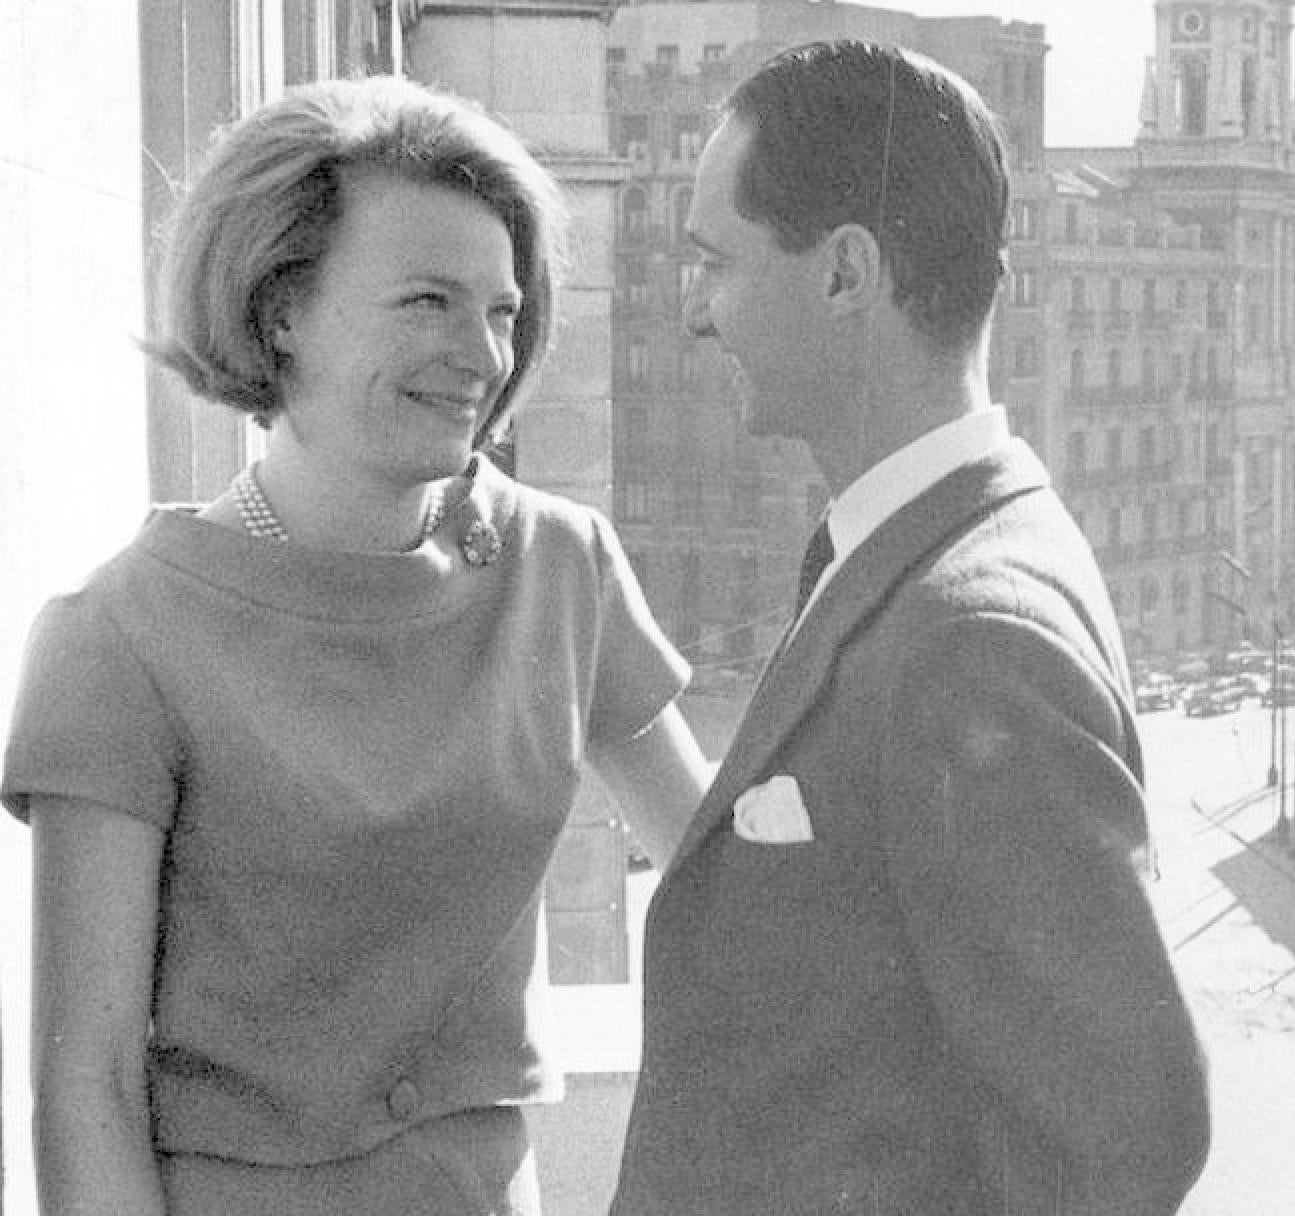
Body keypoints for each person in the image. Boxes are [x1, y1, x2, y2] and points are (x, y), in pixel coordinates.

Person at [4, 77, 711, 1216]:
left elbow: (727, 874)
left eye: (501, 310)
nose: (479, 354)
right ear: (282, 309)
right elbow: (84, 1085)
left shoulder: (562, 567)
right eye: (426, 300)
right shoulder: (122, 636)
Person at [608, 41, 1210, 1216]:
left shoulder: (972, 638)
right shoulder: (919, 544)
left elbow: (1129, 1143)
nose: (690, 311)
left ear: (845, 274)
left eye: (715, 264)